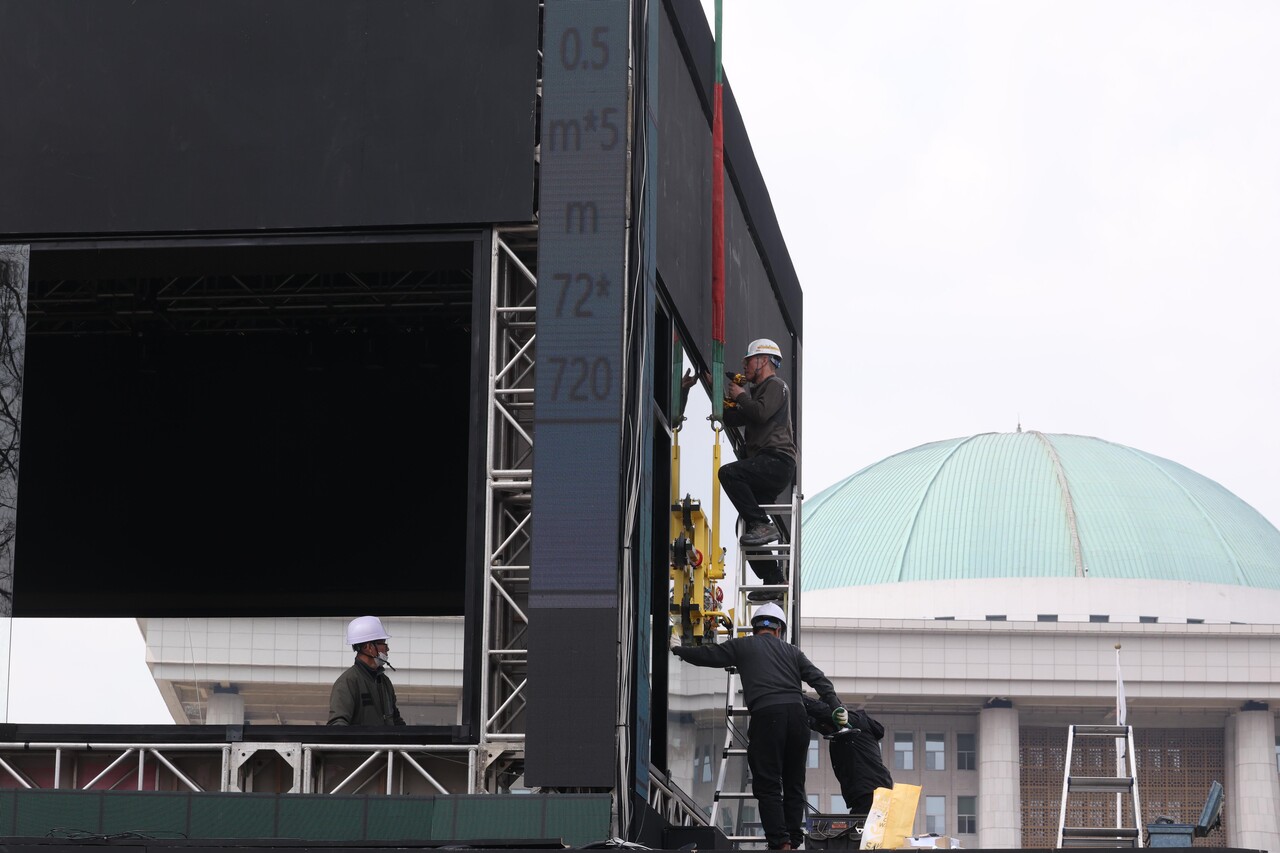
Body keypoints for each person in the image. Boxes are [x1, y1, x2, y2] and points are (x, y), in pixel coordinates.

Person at [672, 602, 846, 850]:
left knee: (768, 784)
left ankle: (780, 843)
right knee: (794, 783)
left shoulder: (743, 646)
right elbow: (820, 680)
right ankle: (795, 841)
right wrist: (836, 706)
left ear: (755, 629)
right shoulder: (793, 652)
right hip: (798, 717)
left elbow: (707, 655)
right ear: (779, 630)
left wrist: (679, 649)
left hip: (768, 715)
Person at [720, 338, 797, 600]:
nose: (745, 366)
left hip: (776, 461)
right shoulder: (757, 395)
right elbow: (733, 418)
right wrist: (724, 396)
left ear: (763, 360)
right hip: (768, 464)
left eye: (749, 360)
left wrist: (740, 395)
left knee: (729, 473)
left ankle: (762, 525)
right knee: (746, 529)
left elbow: (760, 414)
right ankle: (773, 579)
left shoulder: (776, 386)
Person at [802, 696, 893, 815]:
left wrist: (792, 693)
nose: (826, 730)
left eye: (826, 725)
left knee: (863, 830)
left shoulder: (853, 721)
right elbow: (815, 721)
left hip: (870, 791)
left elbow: (822, 711)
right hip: (863, 792)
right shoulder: (843, 733)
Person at [328, 615, 406, 726]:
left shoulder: (384, 681)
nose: (387, 649)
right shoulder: (347, 682)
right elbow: (337, 724)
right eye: (383, 643)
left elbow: (396, 720)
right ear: (369, 647)